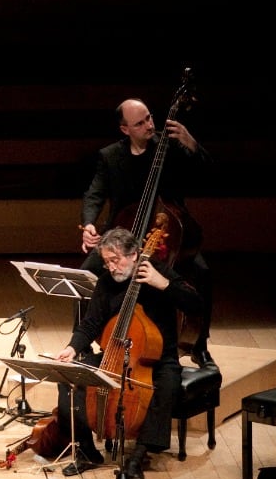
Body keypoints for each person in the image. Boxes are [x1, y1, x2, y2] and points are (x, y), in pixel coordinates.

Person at [54, 227, 203, 479]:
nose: (111, 267)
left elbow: (197, 304)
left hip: (157, 359)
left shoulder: (159, 273)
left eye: (116, 260)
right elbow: (91, 323)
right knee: (68, 377)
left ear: (134, 254)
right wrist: (72, 348)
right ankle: (87, 450)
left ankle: (138, 457)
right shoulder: (106, 281)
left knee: (166, 386)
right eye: (106, 261)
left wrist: (163, 285)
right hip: (114, 354)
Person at [78, 97, 216, 367]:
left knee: (202, 272)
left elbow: (209, 173)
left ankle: (199, 345)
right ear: (125, 129)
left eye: (149, 118)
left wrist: (190, 142)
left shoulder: (171, 148)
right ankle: (83, 345)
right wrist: (90, 223)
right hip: (122, 233)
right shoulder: (110, 156)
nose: (149, 126)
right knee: (84, 275)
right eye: (139, 123)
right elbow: (94, 193)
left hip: (164, 234)